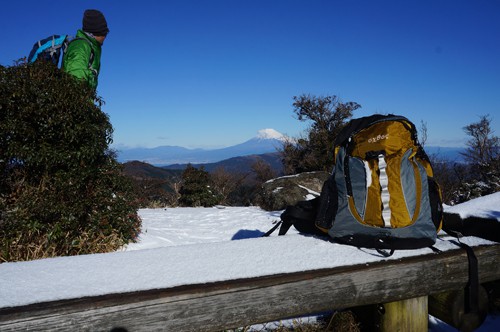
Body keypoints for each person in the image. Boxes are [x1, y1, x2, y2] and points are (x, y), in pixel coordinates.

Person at [63, 9, 109, 91]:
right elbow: (75, 80)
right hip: (78, 102)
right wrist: (83, 103)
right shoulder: (81, 47)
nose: (105, 37)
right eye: (104, 33)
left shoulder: (90, 47)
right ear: (96, 32)